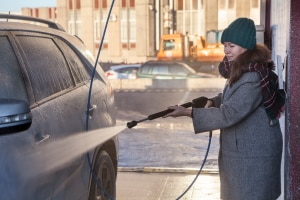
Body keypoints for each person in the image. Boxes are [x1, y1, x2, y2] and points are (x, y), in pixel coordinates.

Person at [163, 18, 285, 200]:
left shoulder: (251, 76)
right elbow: (234, 98)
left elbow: (230, 113)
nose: (226, 50)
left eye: (232, 46)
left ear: (245, 46)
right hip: (245, 152)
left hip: (253, 156)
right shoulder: (242, 69)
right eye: (225, 45)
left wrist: (188, 112)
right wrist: (212, 102)